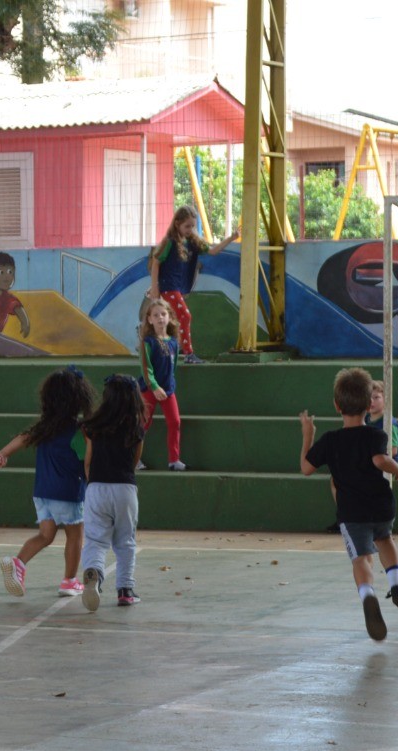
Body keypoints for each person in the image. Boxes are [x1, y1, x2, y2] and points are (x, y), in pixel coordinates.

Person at [299, 368, 398, 641]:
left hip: (352, 512)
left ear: (337, 406)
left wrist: (308, 434)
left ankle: (367, 595)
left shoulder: (330, 441)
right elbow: (380, 461)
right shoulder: (376, 436)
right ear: (368, 406)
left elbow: (306, 468)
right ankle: (397, 584)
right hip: (381, 506)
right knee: (385, 539)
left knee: (361, 557)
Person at [0, 367, 96, 597]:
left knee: (45, 536)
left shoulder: (44, 427)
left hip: (42, 492)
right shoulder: (78, 431)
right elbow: (87, 461)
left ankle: (18, 563)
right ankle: (69, 580)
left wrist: (4, 453)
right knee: (75, 536)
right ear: (79, 399)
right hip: (68, 492)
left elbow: (24, 437)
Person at [79, 375, 147, 612]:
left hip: (96, 487)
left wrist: (94, 484)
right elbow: (134, 462)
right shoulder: (136, 428)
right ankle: (125, 591)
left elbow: (87, 462)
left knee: (96, 540)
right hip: (125, 489)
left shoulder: (93, 427)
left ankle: (95, 573)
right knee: (125, 542)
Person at [148, 206, 238, 363]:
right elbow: (156, 262)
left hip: (177, 287)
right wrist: (155, 287)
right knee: (185, 315)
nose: (190, 229)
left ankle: (166, 348)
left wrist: (231, 237)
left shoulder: (193, 242)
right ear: (177, 224)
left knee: (170, 319)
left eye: (192, 226)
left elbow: (213, 251)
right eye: (187, 226)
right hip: (168, 286)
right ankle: (188, 353)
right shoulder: (170, 242)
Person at [137, 298, 187, 471]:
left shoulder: (173, 342)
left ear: (169, 317)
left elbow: (173, 368)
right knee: (142, 424)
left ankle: (174, 460)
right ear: (150, 319)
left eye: (163, 314)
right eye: (156, 315)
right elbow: (146, 368)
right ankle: (134, 459)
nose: (160, 318)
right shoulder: (147, 343)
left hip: (168, 390)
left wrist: (168, 386)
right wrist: (154, 387)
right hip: (150, 389)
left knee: (175, 422)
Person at [365, 379, 398, 465]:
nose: (371, 401)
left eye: (376, 397)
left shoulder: (390, 423)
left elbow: (393, 450)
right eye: (368, 397)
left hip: (386, 468)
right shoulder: (365, 419)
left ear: (386, 400)